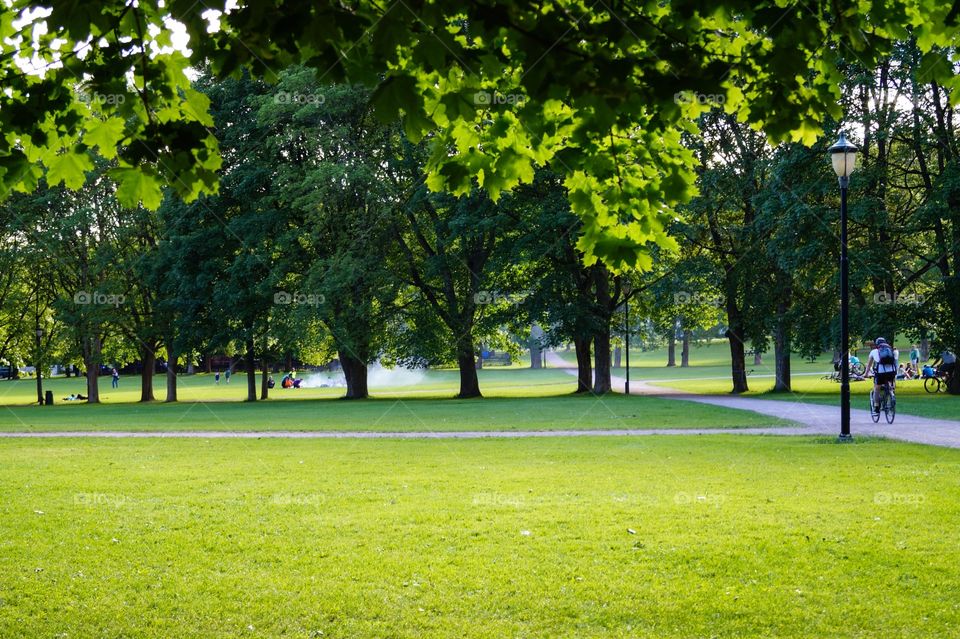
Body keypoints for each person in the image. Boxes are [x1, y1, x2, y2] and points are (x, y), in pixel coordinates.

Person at [865, 337, 898, 411]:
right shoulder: (891, 351)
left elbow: (869, 365)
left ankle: (876, 406)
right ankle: (891, 395)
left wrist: (866, 374)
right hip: (892, 372)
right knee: (890, 384)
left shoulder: (874, 351)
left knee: (877, 389)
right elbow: (895, 362)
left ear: (877, 344)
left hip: (881, 373)